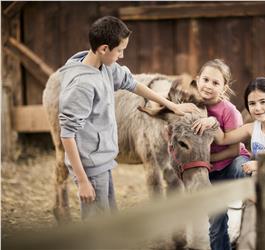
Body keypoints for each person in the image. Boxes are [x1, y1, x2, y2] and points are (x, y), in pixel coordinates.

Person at [58, 16, 198, 220]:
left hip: (103, 160)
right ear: (104, 48)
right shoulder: (82, 86)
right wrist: (82, 181)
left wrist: (171, 105)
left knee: (109, 219)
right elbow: (67, 135)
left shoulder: (103, 66)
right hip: (89, 166)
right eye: (120, 50)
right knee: (97, 227)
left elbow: (131, 83)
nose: (122, 56)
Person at [191, 59, 251, 250]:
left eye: (216, 83)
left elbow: (233, 150)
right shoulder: (191, 107)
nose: (209, 86)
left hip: (232, 162)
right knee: (216, 225)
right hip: (212, 172)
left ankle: (261, 189)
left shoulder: (229, 111)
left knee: (245, 170)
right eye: (206, 80)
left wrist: (205, 161)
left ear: (224, 88)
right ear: (197, 79)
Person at [195, 77, 265, 175]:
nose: (257, 108)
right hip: (264, 181)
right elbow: (223, 139)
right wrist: (212, 121)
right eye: (252, 103)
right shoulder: (251, 128)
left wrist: (260, 164)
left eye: (263, 102)